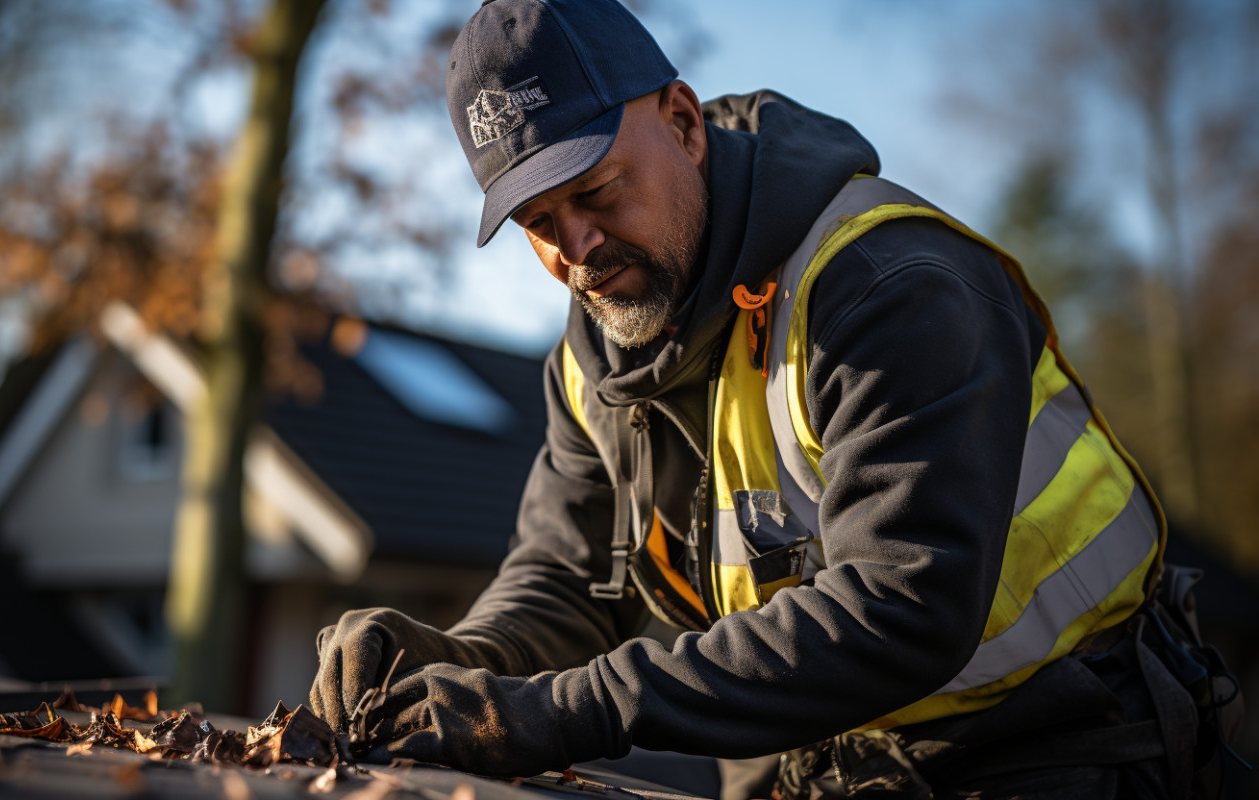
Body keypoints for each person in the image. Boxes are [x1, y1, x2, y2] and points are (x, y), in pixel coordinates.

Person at [312, 1, 1233, 796]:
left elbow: (901, 607)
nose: (577, 249)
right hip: (812, 763)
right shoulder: (597, 344)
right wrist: (455, 661)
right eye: (537, 225)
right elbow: (568, 581)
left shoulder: (888, 284)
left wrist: (564, 711)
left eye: (595, 190)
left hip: (1061, 746)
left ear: (681, 121)